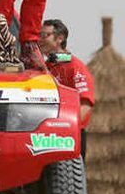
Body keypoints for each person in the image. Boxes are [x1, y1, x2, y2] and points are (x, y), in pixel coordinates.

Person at [40, 19, 94, 159]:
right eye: (39, 35)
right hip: (45, 137)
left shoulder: (75, 66)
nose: (40, 39)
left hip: (69, 137)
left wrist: (67, 130)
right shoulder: (45, 68)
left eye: (44, 35)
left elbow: (85, 104)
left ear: (60, 38)